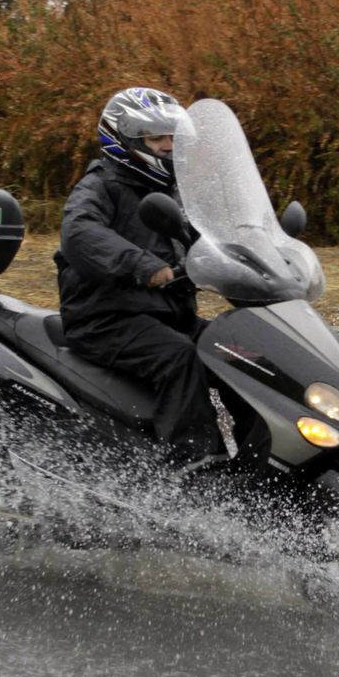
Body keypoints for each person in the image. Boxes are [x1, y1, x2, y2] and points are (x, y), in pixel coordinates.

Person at [55, 87, 225, 467]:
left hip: (166, 314)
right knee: (180, 358)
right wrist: (143, 266)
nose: (168, 146)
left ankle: (268, 460)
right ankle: (194, 467)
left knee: (239, 349)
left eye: (173, 137)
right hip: (106, 318)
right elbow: (80, 233)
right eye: (156, 138)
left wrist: (255, 256)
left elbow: (210, 236)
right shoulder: (100, 186)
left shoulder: (176, 193)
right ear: (125, 140)